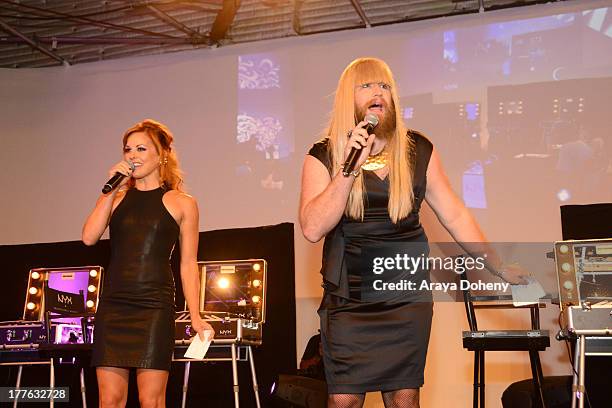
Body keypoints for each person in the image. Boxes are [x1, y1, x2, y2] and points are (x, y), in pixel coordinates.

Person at [299, 57, 527, 408]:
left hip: (405, 299)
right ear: (349, 97)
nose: (379, 92)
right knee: (343, 401)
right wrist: (347, 170)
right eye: (367, 86)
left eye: (385, 86)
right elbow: (313, 228)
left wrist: (496, 265)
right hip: (349, 303)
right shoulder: (324, 155)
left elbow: (454, 213)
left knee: (405, 401)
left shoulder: (417, 149)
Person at [82, 119, 214, 408]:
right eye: (128, 149)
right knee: (110, 400)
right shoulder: (116, 199)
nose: (132, 155)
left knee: (152, 400)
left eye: (141, 148)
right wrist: (108, 193)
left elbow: (188, 263)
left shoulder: (182, 202)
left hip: (154, 306)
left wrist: (195, 314)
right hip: (114, 305)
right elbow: (89, 237)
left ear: (163, 154)